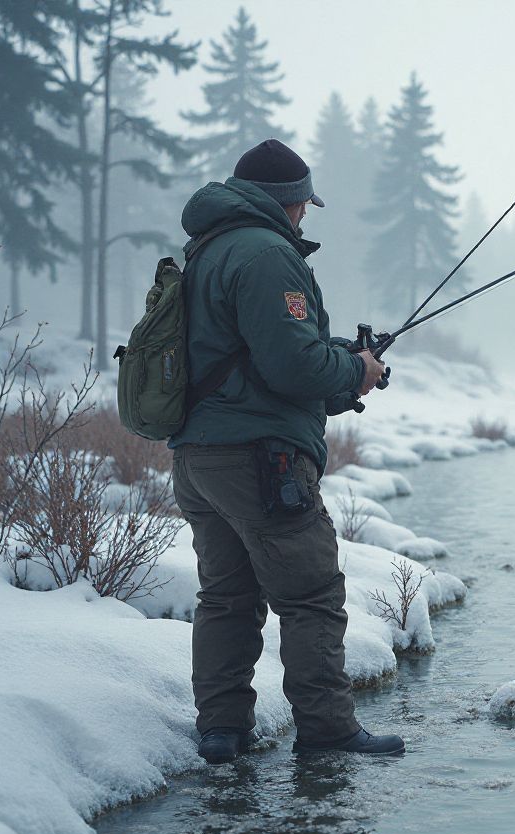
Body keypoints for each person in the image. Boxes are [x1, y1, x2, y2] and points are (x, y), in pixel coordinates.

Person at [170, 139, 404, 764]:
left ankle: (222, 732)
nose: (305, 216)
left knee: (226, 599)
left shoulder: (209, 249)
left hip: (199, 457)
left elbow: (244, 366)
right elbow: (291, 366)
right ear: (288, 202)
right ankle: (327, 733)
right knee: (310, 598)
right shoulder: (267, 254)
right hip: (261, 464)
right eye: (304, 205)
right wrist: (352, 369)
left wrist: (343, 371)